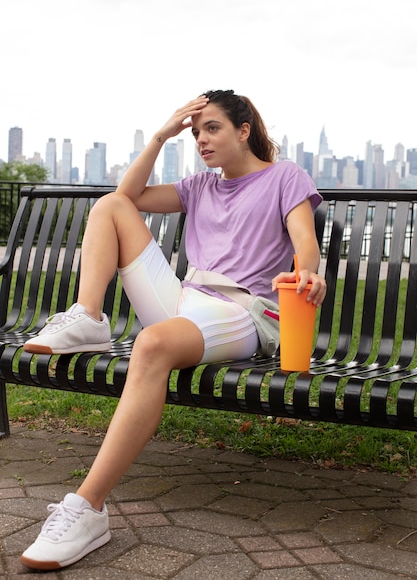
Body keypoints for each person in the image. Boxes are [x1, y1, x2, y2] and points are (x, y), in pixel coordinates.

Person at [20, 89, 327, 570]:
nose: (201, 140)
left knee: (152, 344)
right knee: (109, 206)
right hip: (187, 299)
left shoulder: (285, 177)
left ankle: (86, 508)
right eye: (196, 131)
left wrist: (307, 271)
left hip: (243, 310)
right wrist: (162, 135)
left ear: (243, 131)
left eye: (213, 128)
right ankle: (89, 316)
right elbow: (129, 197)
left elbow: (305, 243)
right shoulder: (200, 186)